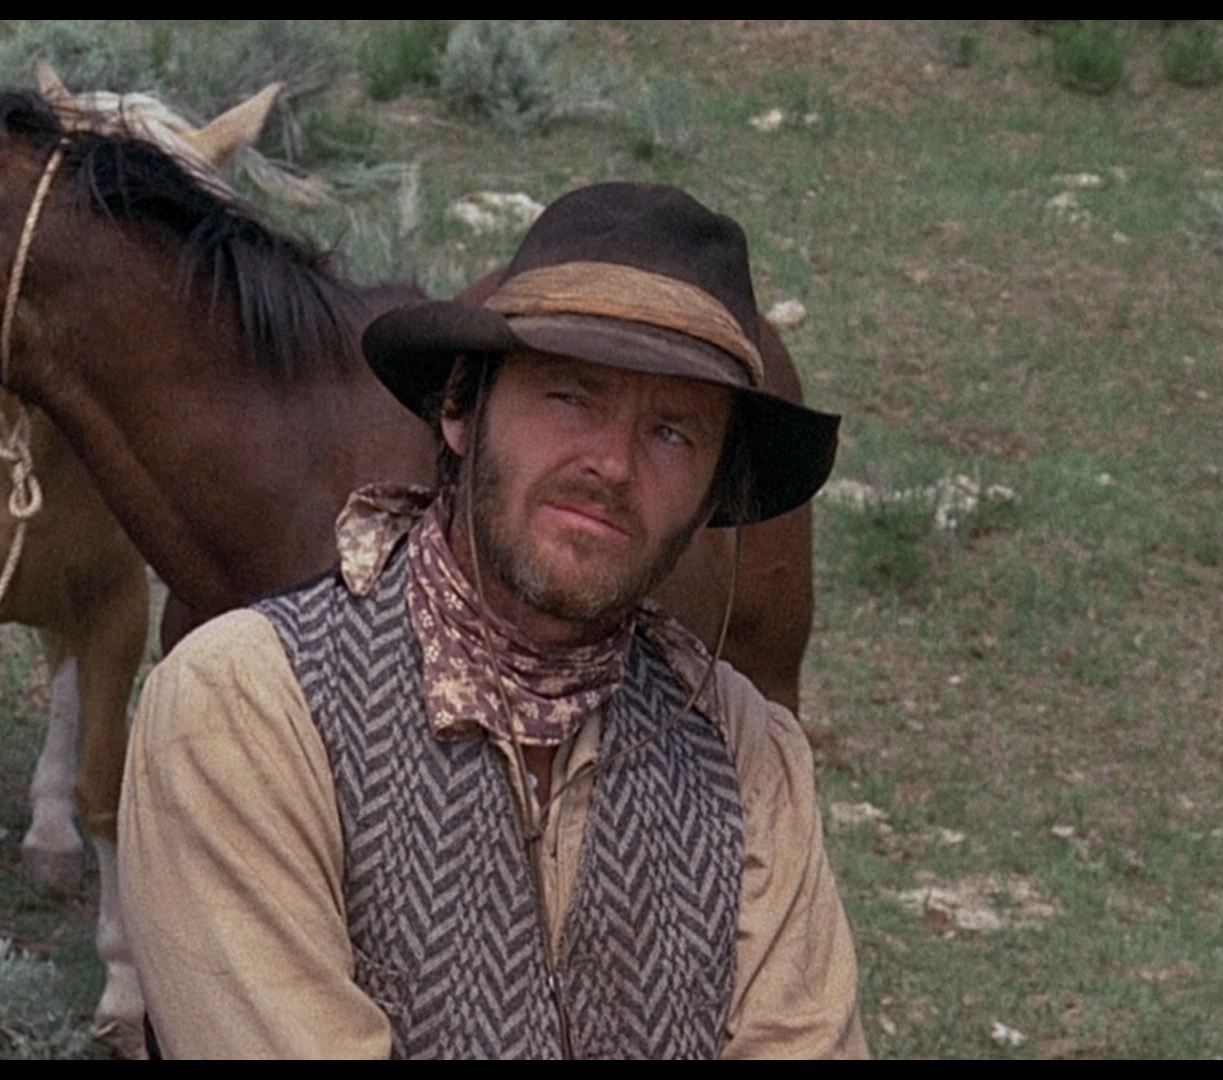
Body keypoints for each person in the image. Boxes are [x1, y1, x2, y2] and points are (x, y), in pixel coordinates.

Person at [118, 183, 868, 1059]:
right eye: (570, 397)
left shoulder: (746, 757)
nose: (612, 465)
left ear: (714, 498)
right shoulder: (245, 707)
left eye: (673, 433)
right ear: (461, 407)